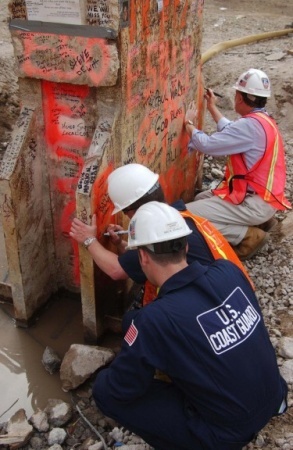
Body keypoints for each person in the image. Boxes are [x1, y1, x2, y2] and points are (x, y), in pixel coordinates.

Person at [93, 201, 288, 450]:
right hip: (274, 396)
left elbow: (121, 388)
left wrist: (107, 375)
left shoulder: (155, 319)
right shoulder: (228, 271)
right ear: (186, 245)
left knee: (105, 391)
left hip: (226, 434)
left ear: (142, 256)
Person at [69, 164, 253, 310]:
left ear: (132, 209)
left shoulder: (161, 235)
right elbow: (145, 260)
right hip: (238, 296)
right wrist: (121, 243)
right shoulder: (180, 218)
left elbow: (117, 270)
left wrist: (88, 240)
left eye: (125, 212)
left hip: (216, 308)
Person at [184, 68, 291, 260]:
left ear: (240, 98)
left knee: (187, 217)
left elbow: (208, 145)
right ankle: (258, 223)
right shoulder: (263, 121)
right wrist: (212, 108)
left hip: (253, 204)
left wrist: (188, 124)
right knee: (201, 199)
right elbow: (231, 130)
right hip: (262, 199)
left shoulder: (249, 125)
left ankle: (248, 236)